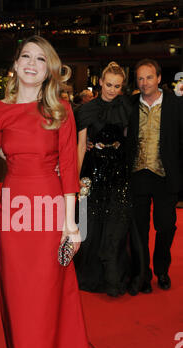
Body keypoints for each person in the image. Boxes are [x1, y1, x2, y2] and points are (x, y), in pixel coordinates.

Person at [0, 37, 145, 348]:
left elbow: (69, 172)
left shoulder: (60, 109)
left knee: (45, 290)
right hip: (13, 208)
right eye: (25, 56)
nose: (31, 63)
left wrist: (71, 224)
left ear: (49, 70)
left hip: (49, 205)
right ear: (15, 65)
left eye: (40, 59)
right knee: (16, 288)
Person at [74, 62, 144, 297]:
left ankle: (114, 278)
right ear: (100, 82)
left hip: (118, 170)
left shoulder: (126, 107)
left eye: (117, 86)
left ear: (122, 86)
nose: (112, 90)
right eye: (109, 84)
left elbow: (129, 140)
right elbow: (81, 146)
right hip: (92, 169)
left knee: (116, 224)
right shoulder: (87, 110)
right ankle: (90, 277)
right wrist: (75, 179)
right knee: (90, 225)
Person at [127, 59, 183, 293]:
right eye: (140, 78)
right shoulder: (128, 104)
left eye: (149, 77)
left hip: (165, 176)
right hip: (137, 175)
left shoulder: (177, 105)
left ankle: (161, 269)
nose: (144, 82)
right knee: (137, 229)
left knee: (166, 226)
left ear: (159, 78)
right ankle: (142, 274)